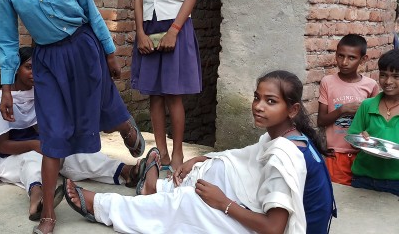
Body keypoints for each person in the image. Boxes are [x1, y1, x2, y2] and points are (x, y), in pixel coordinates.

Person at [0, 0, 145, 234]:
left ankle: (125, 128)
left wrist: (109, 53)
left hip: (83, 47)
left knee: (101, 101)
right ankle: (49, 213)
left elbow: (91, 12)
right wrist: (6, 88)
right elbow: (6, 41)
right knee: (53, 135)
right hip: (47, 60)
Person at [64, 70, 336, 234]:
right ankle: (155, 189)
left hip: (285, 230)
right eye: (256, 97)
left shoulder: (285, 155)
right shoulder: (286, 136)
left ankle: (104, 206)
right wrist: (203, 158)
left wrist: (223, 203)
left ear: (292, 110)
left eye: (271, 101)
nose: (258, 106)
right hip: (271, 220)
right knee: (217, 168)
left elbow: (274, 228)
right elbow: (246, 159)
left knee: (191, 204)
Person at [0, 47, 143, 220]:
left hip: (41, 148)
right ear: (15, 70)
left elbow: (47, 128)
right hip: (10, 159)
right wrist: (34, 145)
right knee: (31, 161)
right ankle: (37, 199)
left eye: (38, 68)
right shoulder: (2, 101)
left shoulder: (39, 92)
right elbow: (2, 146)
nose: (34, 73)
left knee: (74, 152)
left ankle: (126, 172)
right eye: (29, 67)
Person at [131, 0, 202, 174]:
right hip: (149, 26)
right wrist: (140, 33)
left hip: (176, 25)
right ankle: (159, 151)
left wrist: (175, 29)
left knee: (174, 94)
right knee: (155, 94)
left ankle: (178, 152)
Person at [317, 34, 379, 185]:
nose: (344, 62)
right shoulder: (328, 82)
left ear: (363, 59)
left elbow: (375, 121)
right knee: (339, 198)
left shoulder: (371, 86)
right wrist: (342, 110)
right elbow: (321, 120)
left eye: (351, 58)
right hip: (336, 153)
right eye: (340, 56)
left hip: (362, 154)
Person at [347, 48, 399, 196]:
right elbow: (352, 137)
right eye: (383, 75)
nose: (388, 82)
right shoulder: (367, 105)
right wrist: (360, 139)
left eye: (396, 76)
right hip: (363, 179)